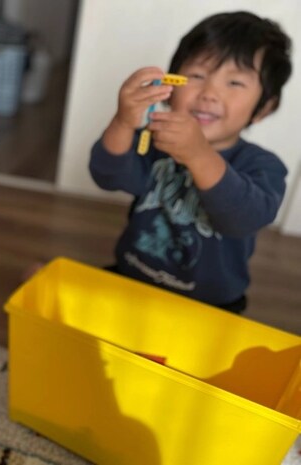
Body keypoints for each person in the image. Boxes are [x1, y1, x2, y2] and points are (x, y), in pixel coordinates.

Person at [89, 11, 292, 313]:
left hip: (211, 304)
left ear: (264, 108)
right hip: (132, 277)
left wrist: (199, 154)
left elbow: (245, 219)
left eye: (235, 83)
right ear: (169, 87)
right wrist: (122, 122)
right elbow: (106, 176)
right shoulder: (153, 140)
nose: (209, 93)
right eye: (196, 76)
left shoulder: (263, 165)